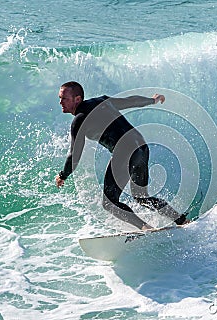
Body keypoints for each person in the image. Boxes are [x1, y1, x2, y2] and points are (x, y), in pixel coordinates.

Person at [55, 81, 189, 230]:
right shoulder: (102, 101)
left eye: (64, 99)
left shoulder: (79, 120)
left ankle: (146, 228)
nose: (60, 102)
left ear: (77, 99)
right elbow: (131, 101)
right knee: (141, 197)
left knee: (109, 203)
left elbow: (74, 155)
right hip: (141, 146)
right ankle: (182, 220)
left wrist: (63, 175)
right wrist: (153, 100)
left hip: (124, 151)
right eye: (60, 98)